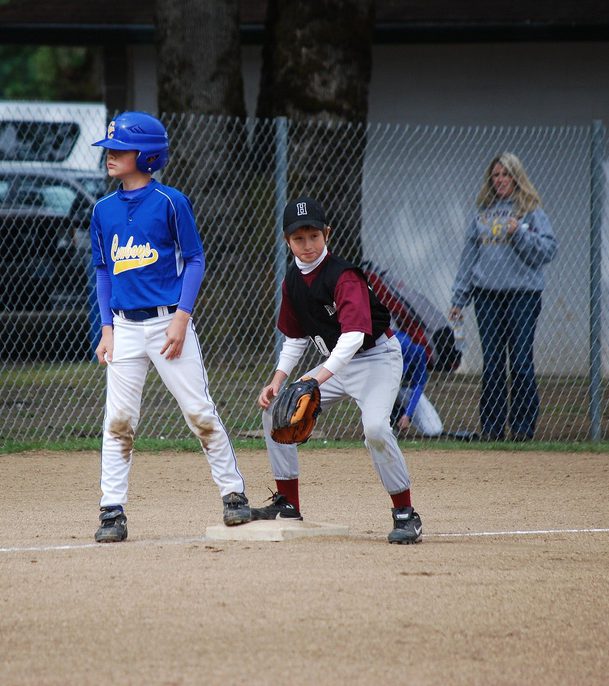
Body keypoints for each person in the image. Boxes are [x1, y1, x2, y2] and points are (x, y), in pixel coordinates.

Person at [89, 111, 251, 542]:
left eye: (119, 150)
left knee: (199, 411)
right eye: (109, 149)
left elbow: (195, 259)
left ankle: (234, 494)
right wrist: (106, 328)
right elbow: (103, 271)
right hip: (123, 328)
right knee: (119, 420)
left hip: (167, 324)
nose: (110, 156)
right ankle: (112, 511)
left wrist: (182, 317)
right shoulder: (102, 210)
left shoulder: (170, 202)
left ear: (146, 156)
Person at [252, 196, 423, 544]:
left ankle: (405, 512)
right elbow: (295, 338)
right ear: (287, 242)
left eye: (313, 236)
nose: (307, 245)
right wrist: (278, 380)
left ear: (326, 234)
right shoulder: (293, 282)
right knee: (275, 413)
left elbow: (356, 335)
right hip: (336, 364)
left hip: (376, 358)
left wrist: (315, 378)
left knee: (375, 428)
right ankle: (288, 504)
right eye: (298, 238)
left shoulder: (343, 276)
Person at [449, 152, 557, 441]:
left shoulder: (531, 210)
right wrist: (459, 299)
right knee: (493, 364)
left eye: (505, 174)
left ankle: (522, 429)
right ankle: (492, 430)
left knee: (520, 362)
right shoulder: (481, 212)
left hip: (523, 296)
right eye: (495, 175)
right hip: (487, 297)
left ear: (516, 177)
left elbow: (548, 251)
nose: (500, 180)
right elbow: (468, 259)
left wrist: (519, 233)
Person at [391, 329, 443, 437]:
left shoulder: (417, 352)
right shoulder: (384, 347)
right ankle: (388, 422)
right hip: (383, 389)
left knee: (434, 430)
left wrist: (407, 414)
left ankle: (401, 414)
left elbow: (418, 386)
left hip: (403, 389)